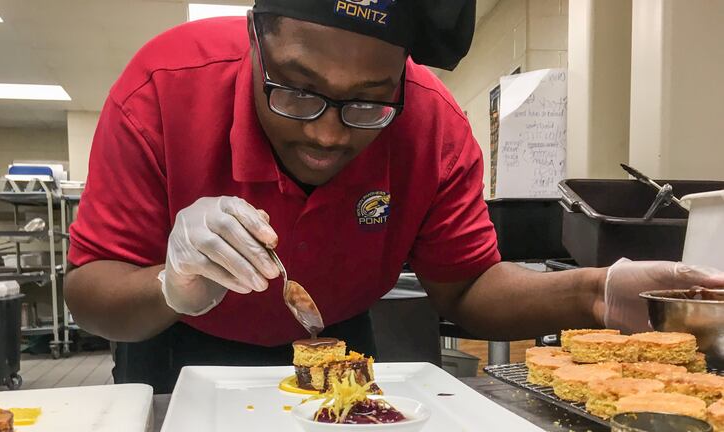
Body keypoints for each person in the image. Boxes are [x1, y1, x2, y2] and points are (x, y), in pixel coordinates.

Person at [64, 0, 724, 393]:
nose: (325, 133)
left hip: (339, 347)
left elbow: (464, 288)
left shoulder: (432, 126)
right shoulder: (164, 87)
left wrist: (594, 292)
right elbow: (90, 288)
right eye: (295, 88)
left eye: (369, 101)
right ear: (253, 39)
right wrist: (168, 287)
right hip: (174, 344)